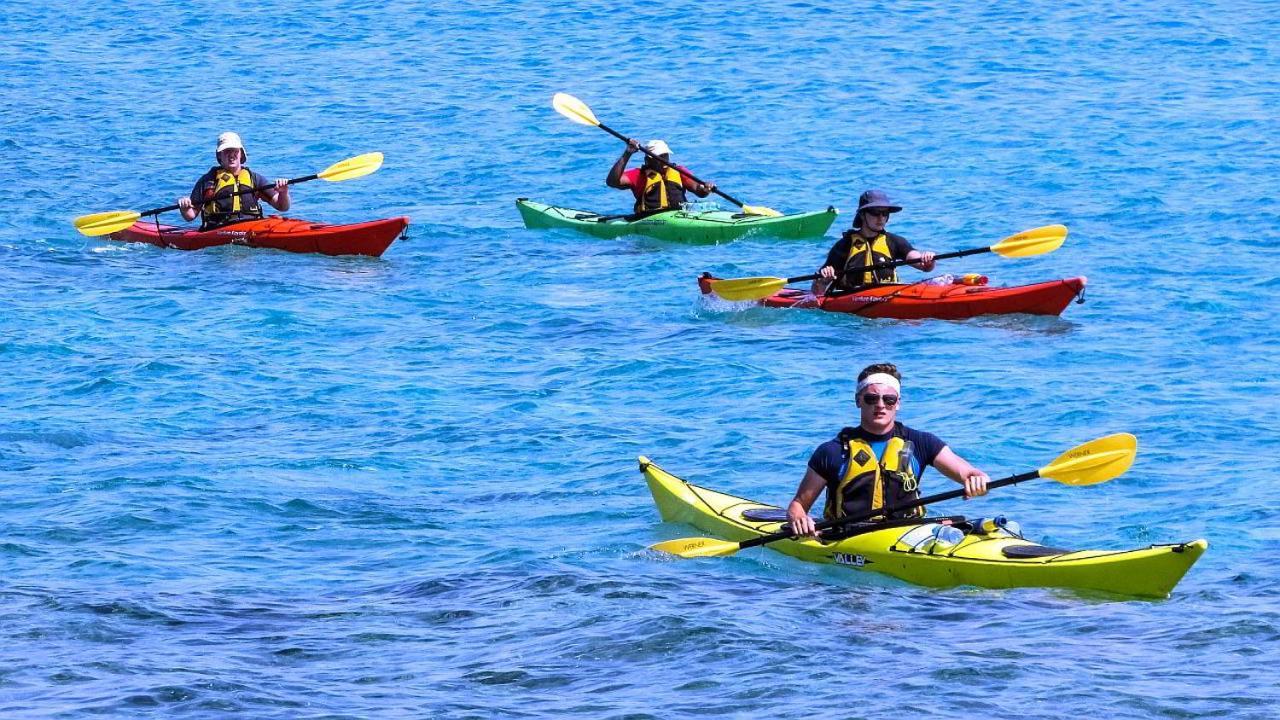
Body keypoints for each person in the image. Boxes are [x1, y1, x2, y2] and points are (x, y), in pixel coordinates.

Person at [786, 363, 990, 538]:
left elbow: (968, 473)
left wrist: (977, 480)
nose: (880, 405)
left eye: (889, 399)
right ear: (858, 401)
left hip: (909, 533)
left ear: (898, 403)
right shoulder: (832, 451)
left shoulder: (921, 442)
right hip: (849, 536)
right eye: (871, 399)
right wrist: (800, 519)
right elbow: (798, 506)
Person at [811, 189, 938, 295]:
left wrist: (928, 260)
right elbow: (817, 292)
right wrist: (823, 280)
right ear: (862, 215)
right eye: (875, 213)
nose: (881, 218)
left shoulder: (894, 241)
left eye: (885, 213)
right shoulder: (844, 245)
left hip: (888, 298)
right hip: (852, 302)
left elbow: (923, 266)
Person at [177, 132, 290, 230]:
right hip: (218, 229)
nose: (231, 154)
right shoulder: (208, 181)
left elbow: (282, 207)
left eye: (235, 151)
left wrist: (283, 192)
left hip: (252, 227)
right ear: (220, 155)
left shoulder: (255, 178)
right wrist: (184, 208)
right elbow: (190, 216)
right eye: (226, 151)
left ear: (241, 154)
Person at [605, 139, 715, 215]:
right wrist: (627, 153)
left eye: (665, 156)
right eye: (658, 157)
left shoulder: (678, 171)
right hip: (650, 220)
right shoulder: (639, 175)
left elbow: (698, 190)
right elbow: (612, 181)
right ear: (648, 160)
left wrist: (705, 189)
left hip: (679, 216)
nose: (663, 160)